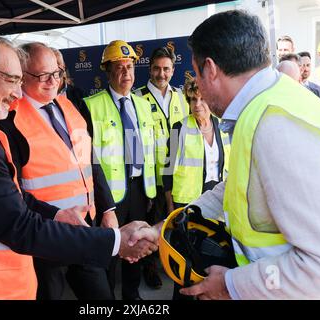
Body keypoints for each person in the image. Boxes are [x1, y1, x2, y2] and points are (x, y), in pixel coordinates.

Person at [0, 32, 158, 300]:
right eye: (12, 79)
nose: (17, 92)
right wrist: (114, 242)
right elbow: (19, 225)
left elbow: (7, 199)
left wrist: (57, 215)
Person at [164, 10, 320, 300]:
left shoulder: (276, 126)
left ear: (210, 69)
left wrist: (231, 285)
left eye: (196, 74)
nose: (197, 85)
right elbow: (239, 185)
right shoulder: (269, 106)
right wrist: (168, 224)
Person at [0, 42, 117, 300]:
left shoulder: (70, 106)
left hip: (85, 225)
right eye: (42, 75)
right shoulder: (7, 121)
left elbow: (90, 162)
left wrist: (107, 209)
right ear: (22, 76)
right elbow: (13, 191)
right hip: (45, 236)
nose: (52, 81)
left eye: (56, 73)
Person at [82, 40, 157, 300]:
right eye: (119, 67)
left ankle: (131, 295)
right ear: (107, 71)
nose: (126, 73)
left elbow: (148, 152)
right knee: (110, 250)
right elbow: (88, 159)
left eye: (130, 67)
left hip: (138, 188)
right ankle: (108, 299)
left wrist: (151, 191)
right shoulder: (91, 106)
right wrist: (103, 205)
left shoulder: (142, 105)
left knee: (136, 245)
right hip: (109, 196)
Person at [163, 76, 230, 300]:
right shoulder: (178, 127)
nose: (197, 105)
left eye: (201, 99)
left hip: (216, 205)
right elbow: (167, 170)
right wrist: (171, 206)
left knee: (210, 263)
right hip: (187, 205)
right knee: (185, 264)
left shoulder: (222, 126)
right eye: (192, 100)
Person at [133, 46, 189, 290]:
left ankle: (171, 264)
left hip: (176, 175)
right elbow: (133, 141)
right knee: (148, 224)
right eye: (156, 68)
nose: (161, 74)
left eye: (166, 69)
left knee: (172, 222)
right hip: (149, 176)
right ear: (150, 68)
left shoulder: (181, 96)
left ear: (173, 70)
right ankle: (149, 267)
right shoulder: (137, 97)